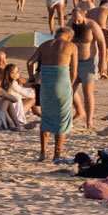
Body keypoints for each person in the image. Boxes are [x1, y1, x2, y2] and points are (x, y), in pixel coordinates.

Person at [33, 26, 76, 164]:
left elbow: (29, 62)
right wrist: (70, 84)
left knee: (46, 117)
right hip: (62, 83)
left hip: (46, 85)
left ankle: (43, 152)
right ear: (69, 37)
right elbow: (74, 72)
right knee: (62, 118)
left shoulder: (44, 45)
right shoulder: (71, 46)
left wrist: (31, 77)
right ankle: (57, 153)